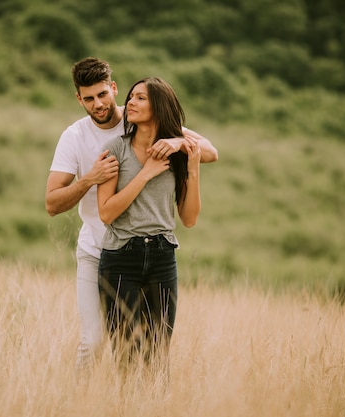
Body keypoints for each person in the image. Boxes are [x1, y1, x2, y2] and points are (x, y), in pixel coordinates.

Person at [45, 57, 218, 375]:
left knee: (155, 348)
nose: (97, 104)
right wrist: (89, 179)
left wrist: (180, 145)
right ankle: (77, 403)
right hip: (99, 251)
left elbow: (209, 150)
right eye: (88, 98)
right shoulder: (76, 137)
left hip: (155, 252)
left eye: (102, 95)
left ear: (113, 89)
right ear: (79, 99)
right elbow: (52, 204)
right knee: (95, 341)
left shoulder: (138, 119)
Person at [96, 77, 200, 379]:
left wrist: (192, 168)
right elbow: (106, 212)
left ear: (160, 105)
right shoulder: (115, 148)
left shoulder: (177, 154)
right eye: (130, 97)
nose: (130, 102)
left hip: (162, 257)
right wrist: (146, 173)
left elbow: (189, 218)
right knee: (127, 356)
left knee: (157, 356)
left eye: (140, 98)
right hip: (120, 259)